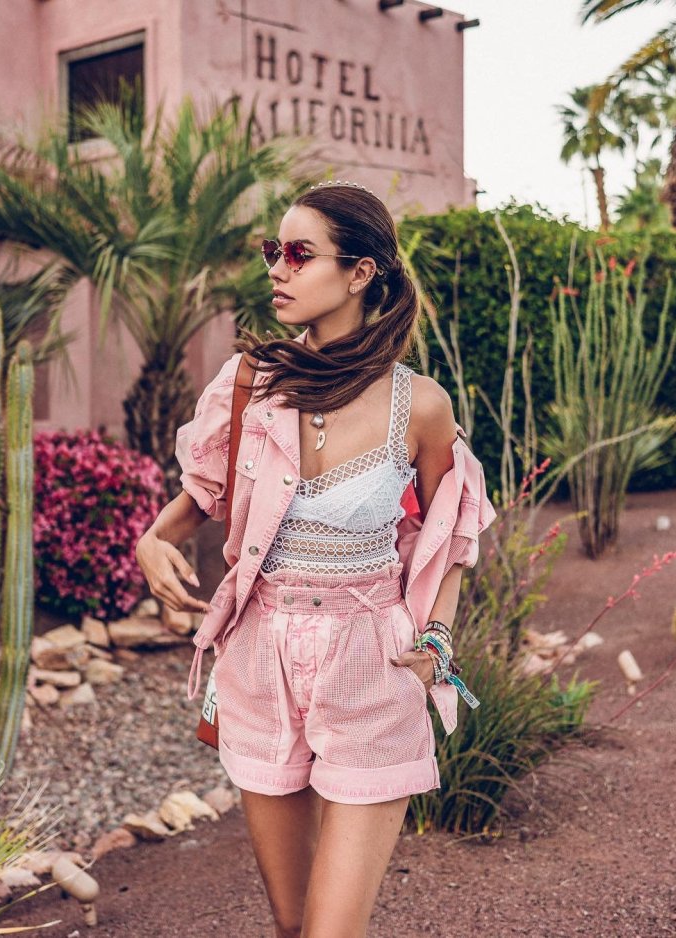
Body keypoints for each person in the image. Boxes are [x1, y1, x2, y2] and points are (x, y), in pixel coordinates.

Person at [136, 180, 496, 938]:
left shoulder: (419, 405)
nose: (279, 269)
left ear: (361, 272)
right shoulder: (248, 384)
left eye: (300, 253)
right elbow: (188, 509)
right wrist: (151, 543)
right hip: (260, 666)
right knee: (292, 927)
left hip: (371, 667)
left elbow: (452, 535)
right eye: (275, 251)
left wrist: (437, 640)